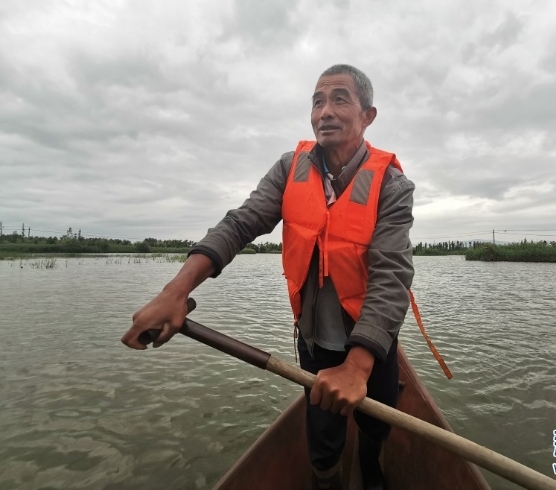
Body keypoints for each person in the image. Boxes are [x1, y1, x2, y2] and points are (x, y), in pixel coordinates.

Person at [121, 64, 415, 490]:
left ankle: (371, 468)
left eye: (339, 99)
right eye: (317, 102)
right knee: (323, 441)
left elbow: (392, 275)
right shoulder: (289, 168)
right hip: (315, 341)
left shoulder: (391, 183)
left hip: (372, 340)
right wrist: (176, 290)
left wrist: (357, 365)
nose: (325, 112)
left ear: (368, 115)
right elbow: (239, 224)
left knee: (377, 422)